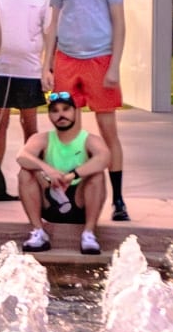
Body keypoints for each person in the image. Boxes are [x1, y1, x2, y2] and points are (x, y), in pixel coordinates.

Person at [44, 0, 131, 222]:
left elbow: (119, 22)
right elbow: (53, 24)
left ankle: (118, 200)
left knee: (108, 132)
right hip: (67, 60)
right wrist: (48, 65)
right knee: (67, 128)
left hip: (100, 59)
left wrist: (114, 65)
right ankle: (69, 194)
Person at [15, 88, 108, 254]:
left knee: (97, 175)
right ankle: (38, 231)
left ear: (75, 112)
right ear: (50, 116)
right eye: (55, 111)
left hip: (79, 201)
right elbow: (22, 156)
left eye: (66, 109)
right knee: (25, 172)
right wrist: (47, 169)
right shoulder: (41, 139)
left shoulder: (89, 139)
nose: (61, 115)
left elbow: (104, 158)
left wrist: (73, 175)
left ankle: (89, 234)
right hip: (49, 199)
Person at [0, 0, 50, 192]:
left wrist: (47, 69)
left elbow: (48, 35)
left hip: (29, 71)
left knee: (30, 125)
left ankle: (33, 176)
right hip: (1, 70)